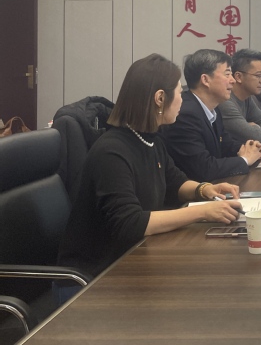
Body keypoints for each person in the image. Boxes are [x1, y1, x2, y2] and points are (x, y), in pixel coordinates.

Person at [58, 54, 242, 281]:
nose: (183, 100)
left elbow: (175, 182)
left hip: (134, 257)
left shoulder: (150, 139)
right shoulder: (111, 151)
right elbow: (130, 223)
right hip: (96, 276)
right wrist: (202, 212)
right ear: (160, 98)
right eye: (179, 93)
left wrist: (204, 190)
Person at [163, 49, 261, 182]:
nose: (233, 80)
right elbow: (203, 169)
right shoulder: (186, 114)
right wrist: (245, 159)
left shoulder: (213, 107)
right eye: (227, 74)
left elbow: (225, 143)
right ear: (205, 80)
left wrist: (251, 148)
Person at [218, 49, 261, 143]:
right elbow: (254, 136)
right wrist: (255, 130)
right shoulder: (225, 101)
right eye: (258, 75)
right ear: (238, 77)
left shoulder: (247, 98)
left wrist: (255, 129)